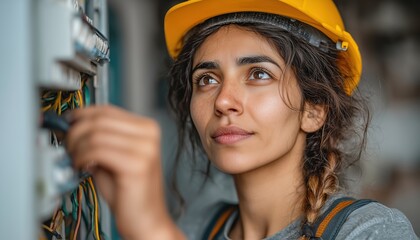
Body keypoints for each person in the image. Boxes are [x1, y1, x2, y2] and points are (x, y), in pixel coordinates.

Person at [66, 0, 419, 239]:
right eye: (207, 79)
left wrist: (151, 228)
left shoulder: (370, 230)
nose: (222, 101)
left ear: (314, 109)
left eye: (258, 75)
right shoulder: (202, 225)